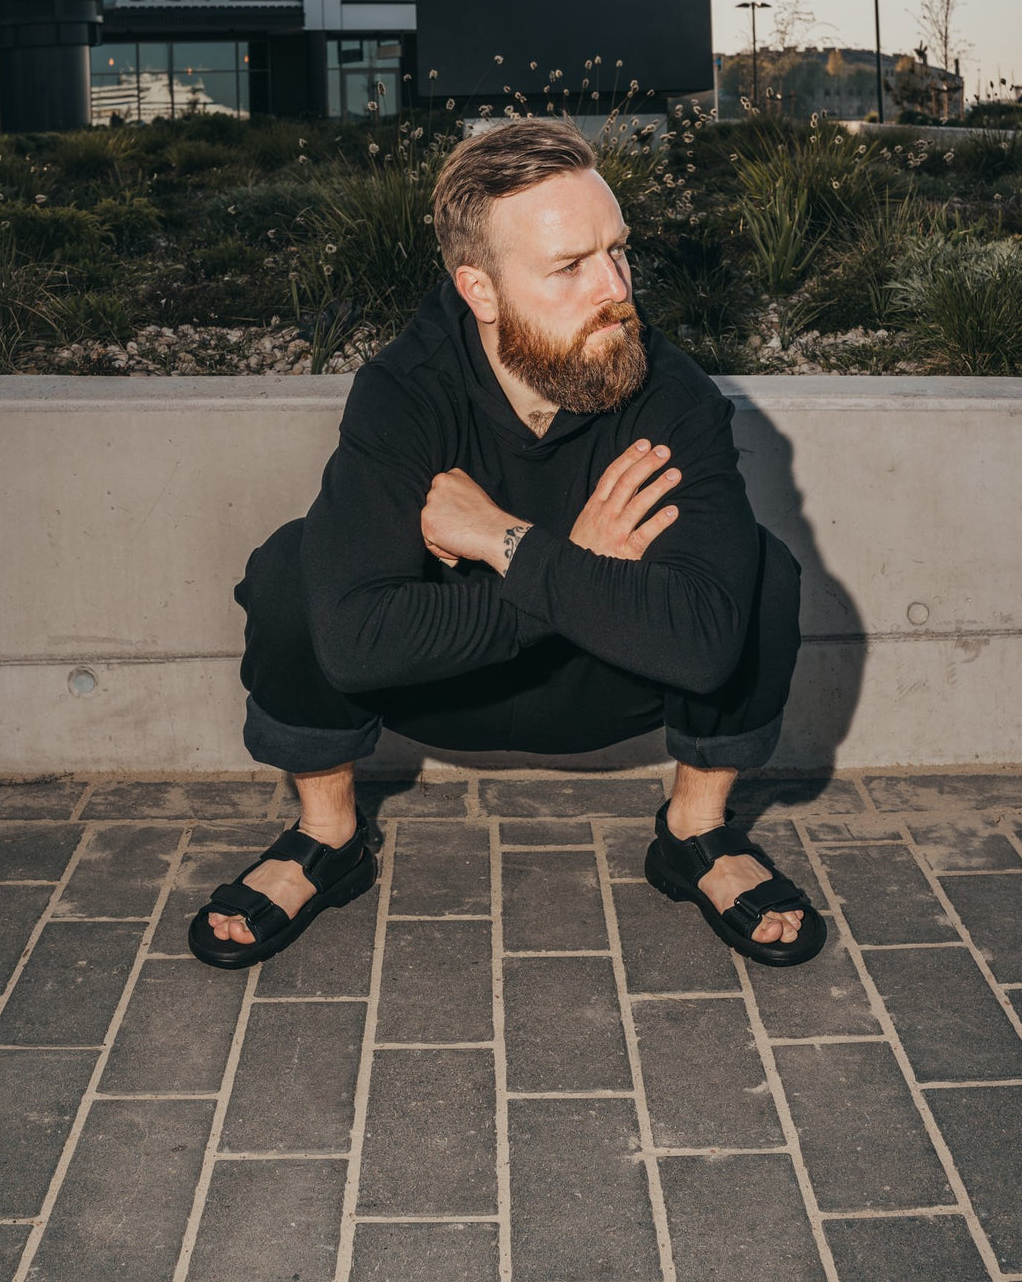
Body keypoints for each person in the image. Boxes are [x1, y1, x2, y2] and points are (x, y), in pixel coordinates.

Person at [188, 118, 826, 972]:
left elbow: (704, 642)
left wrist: (510, 543)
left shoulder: (669, 393)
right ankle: (328, 838)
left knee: (761, 573)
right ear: (480, 291)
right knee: (291, 568)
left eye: (618, 251)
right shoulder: (403, 393)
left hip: (612, 679)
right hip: (444, 686)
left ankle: (695, 835)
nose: (615, 288)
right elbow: (354, 640)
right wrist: (584, 568)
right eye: (570, 266)